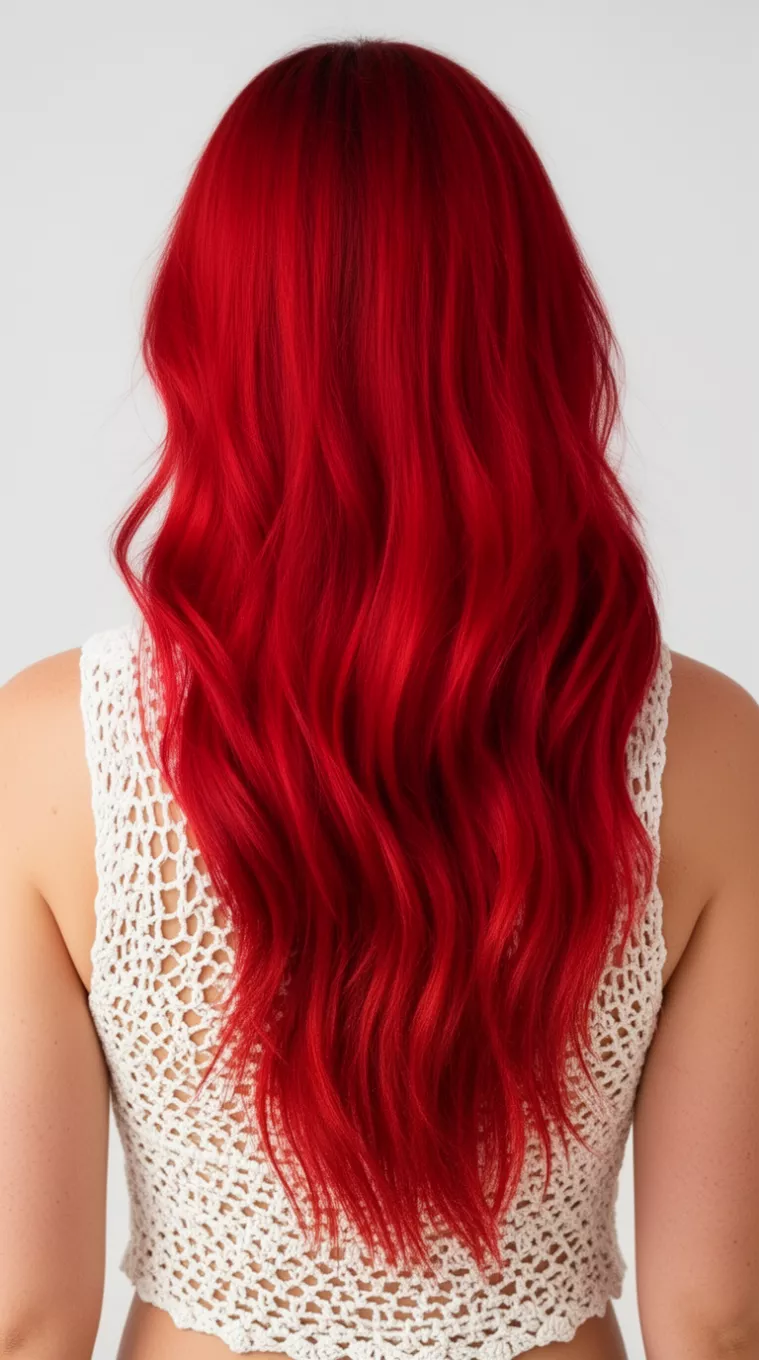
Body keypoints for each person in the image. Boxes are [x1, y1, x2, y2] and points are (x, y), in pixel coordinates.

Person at [0, 36, 757, 1360]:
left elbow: (29, 1312)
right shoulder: (705, 747)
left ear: (206, 333)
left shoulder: (52, 750)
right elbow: (714, 1311)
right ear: (530, 330)